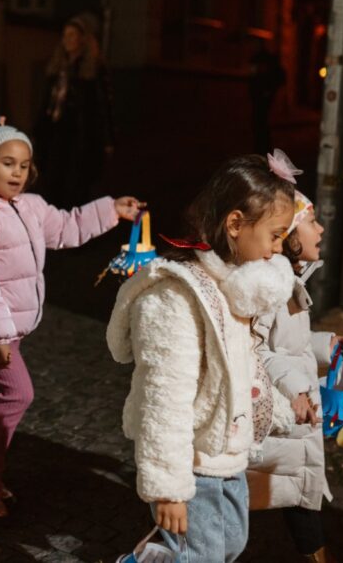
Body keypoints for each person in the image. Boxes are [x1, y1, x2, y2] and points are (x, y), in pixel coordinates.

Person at [105, 154, 297, 561]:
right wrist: (168, 488)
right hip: (192, 463)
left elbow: (242, 369)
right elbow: (164, 398)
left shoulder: (233, 286)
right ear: (234, 224)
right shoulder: (175, 296)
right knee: (202, 555)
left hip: (228, 454)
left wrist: (280, 407)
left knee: (229, 545)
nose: (279, 250)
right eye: (275, 235)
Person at [0, 125, 143, 516]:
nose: (16, 173)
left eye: (24, 166)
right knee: (18, 394)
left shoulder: (31, 206)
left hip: (12, 328)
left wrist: (111, 209)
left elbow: (67, 227)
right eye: (7, 163)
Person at [247, 151, 343, 563]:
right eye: (310, 221)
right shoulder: (274, 286)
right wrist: (295, 389)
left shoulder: (289, 281)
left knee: (300, 498)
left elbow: (289, 344)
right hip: (279, 416)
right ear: (288, 234)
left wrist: (324, 344)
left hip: (295, 418)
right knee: (236, 499)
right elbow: (258, 350)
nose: (321, 227)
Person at [35, 13, 114, 208]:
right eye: (65, 35)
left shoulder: (92, 69)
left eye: (72, 35)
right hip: (55, 132)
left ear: (83, 39)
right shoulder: (58, 67)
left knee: (75, 185)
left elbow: (103, 105)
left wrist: (107, 139)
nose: (67, 40)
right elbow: (47, 101)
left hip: (79, 136)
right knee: (51, 181)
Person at [248, 43, 286, 155]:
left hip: (263, 95)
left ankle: (263, 147)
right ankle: (261, 146)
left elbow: (274, 79)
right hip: (259, 95)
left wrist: (268, 92)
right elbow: (253, 78)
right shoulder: (260, 61)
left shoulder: (267, 62)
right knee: (259, 121)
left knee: (261, 121)